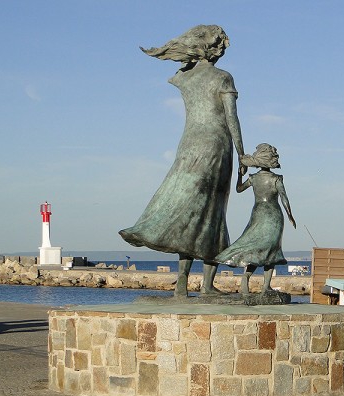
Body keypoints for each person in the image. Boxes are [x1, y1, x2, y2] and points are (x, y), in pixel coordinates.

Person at [119, 25, 245, 296]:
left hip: (188, 145)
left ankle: (182, 287)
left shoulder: (184, 77)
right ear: (215, 48)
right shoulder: (223, 77)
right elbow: (231, 118)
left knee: (188, 212)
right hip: (215, 144)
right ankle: (208, 286)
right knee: (212, 213)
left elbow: (183, 74)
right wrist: (242, 153)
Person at [215, 143, 296, 294]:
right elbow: (285, 199)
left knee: (254, 246)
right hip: (274, 215)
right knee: (271, 250)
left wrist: (240, 175)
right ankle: (266, 286)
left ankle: (246, 276)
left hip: (258, 213)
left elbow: (239, 189)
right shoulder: (276, 179)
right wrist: (290, 215)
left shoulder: (253, 178)